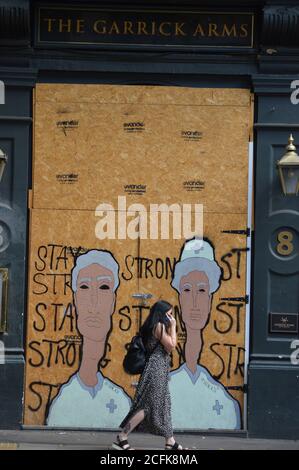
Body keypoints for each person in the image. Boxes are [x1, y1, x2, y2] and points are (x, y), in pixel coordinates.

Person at [46, 249, 131, 427]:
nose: (93, 302)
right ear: (75, 300)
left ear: (113, 302)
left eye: (104, 288)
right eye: (84, 287)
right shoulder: (63, 401)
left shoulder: (121, 400)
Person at [169, 238, 241, 430]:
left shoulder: (225, 402)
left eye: (201, 290)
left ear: (210, 299)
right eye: (186, 290)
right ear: (179, 297)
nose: (193, 301)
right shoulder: (168, 385)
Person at [113, 300, 184, 450]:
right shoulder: (159, 326)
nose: (171, 317)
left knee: (165, 404)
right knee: (146, 408)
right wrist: (174, 327)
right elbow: (171, 346)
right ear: (161, 314)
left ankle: (170, 441)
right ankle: (122, 437)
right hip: (155, 369)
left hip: (160, 369)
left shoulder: (156, 325)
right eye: (169, 314)